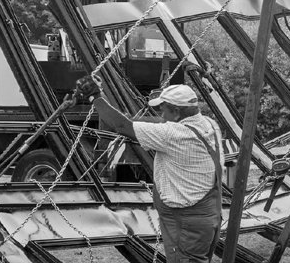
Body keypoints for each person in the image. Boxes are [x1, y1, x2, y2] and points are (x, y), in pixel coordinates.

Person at [78, 79, 224, 263]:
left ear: (177, 112)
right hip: (208, 215)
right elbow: (158, 124)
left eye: (164, 109)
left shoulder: (172, 135)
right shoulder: (209, 125)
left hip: (186, 221)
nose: (161, 114)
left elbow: (122, 127)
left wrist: (96, 97)